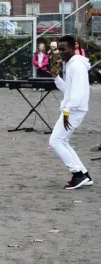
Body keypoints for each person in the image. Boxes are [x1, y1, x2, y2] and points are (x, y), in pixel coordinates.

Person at [49, 35, 93, 189]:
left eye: (63, 49)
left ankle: (77, 174)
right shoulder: (71, 64)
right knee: (62, 141)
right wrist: (56, 78)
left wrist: (67, 111)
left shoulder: (76, 66)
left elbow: (78, 93)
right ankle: (83, 174)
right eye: (59, 49)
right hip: (73, 109)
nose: (61, 52)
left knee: (55, 141)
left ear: (73, 47)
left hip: (74, 110)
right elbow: (69, 89)